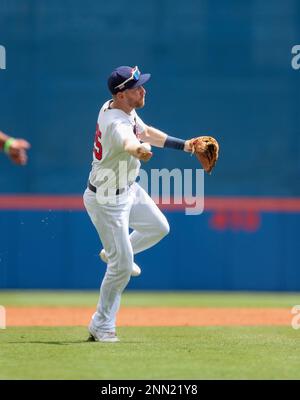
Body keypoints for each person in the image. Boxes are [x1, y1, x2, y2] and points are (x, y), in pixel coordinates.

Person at [83, 66, 193, 342]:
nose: (143, 90)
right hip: (107, 199)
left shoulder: (122, 110)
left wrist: (187, 146)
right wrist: (138, 151)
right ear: (121, 95)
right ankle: (102, 325)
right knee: (122, 267)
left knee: (158, 227)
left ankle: (115, 252)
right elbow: (129, 140)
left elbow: (144, 132)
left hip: (128, 189)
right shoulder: (116, 121)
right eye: (137, 87)